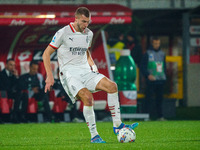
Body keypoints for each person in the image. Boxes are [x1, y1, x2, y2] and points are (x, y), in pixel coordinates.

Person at [42, 7, 139, 143]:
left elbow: (86, 52)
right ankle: (94, 135)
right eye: (83, 21)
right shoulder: (63, 32)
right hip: (69, 74)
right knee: (88, 98)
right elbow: (46, 54)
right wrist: (49, 76)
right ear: (75, 19)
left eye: (88, 21)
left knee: (112, 86)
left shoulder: (89, 34)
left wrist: (93, 66)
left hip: (86, 71)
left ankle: (117, 125)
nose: (86, 25)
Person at [140, 36, 167, 120]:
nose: (157, 45)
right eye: (155, 43)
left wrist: (164, 76)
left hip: (160, 80)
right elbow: (142, 66)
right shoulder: (148, 54)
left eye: (158, 43)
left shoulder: (162, 54)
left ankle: (160, 116)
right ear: (152, 43)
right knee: (148, 99)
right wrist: (148, 75)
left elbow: (164, 66)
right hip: (151, 80)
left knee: (160, 100)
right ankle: (147, 116)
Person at [0, 59, 18, 123]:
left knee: (19, 95)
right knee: (3, 94)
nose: (12, 67)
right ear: (6, 65)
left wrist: (16, 76)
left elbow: (17, 86)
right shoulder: (1, 74)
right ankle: (2, 118)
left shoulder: (13, 75)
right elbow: (2, 86)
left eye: (13, 65)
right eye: (11, 65)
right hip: (3, 93)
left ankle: (15, 117)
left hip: (10, 93)